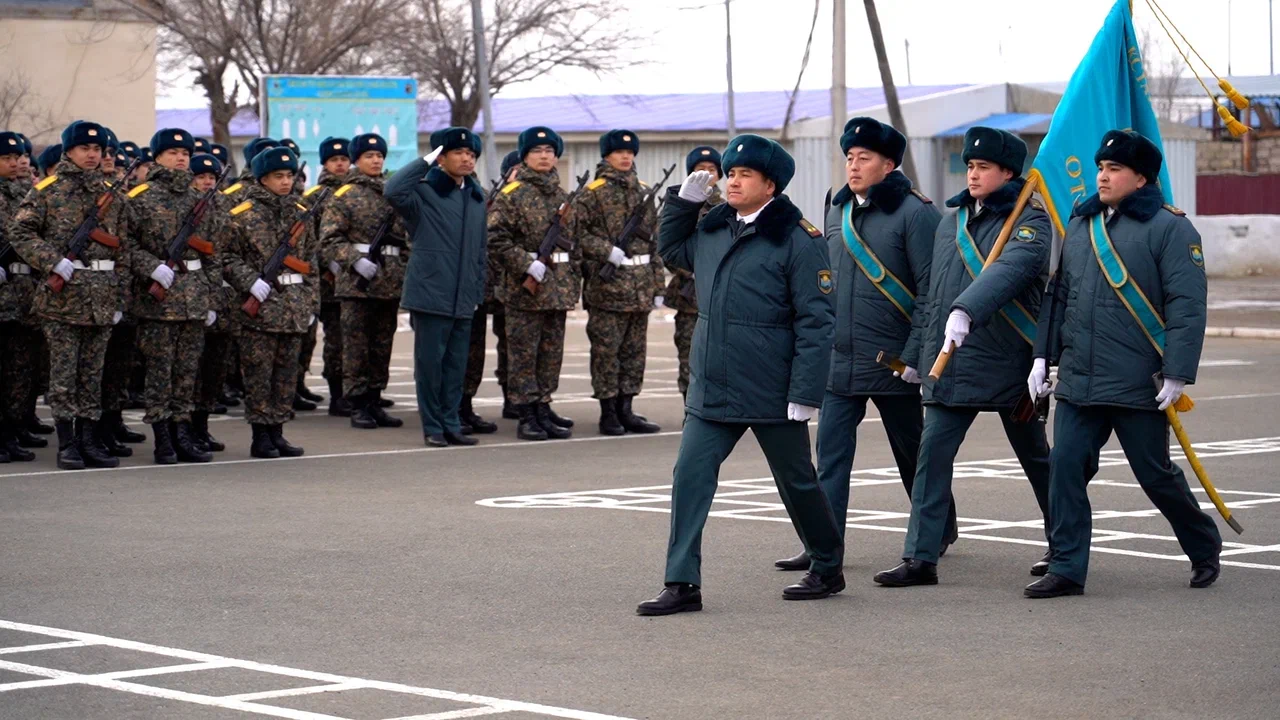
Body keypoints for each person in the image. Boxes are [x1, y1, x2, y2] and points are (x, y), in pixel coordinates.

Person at [637, 134, 843, 616]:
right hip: (713, 382)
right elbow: (672, 249)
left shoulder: (798, 240)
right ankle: (682, 582)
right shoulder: (712, 228)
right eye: (730, 173)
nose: (732, 181)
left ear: (770, 184)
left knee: (797, 482)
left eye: (744, 174)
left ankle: (828, 564)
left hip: (772, 385)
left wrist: (806, 392)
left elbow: (817, 321)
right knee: (689, 475)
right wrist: (682, 204)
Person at [1024, 130, 1223, 598]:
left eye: (1114, 169)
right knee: (1065, 467)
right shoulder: (1081, 223)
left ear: (1141, 178)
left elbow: (1186, 305)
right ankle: (1068, 567)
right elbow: (1060, 294)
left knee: (1154, 475)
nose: (1102, 176)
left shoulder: (1172, 229)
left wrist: (1177, 370)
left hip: (1136, 381)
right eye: (1100, 168)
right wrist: (1041, 355)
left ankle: (1202, 543)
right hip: (1078, 379)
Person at [873, 127, 1053, 587]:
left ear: (1008, 173)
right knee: (932, 456)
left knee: (1037, 459)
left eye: (983, 167)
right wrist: (918, 352)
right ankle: (921, 556)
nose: (972, 175)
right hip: (952, 361)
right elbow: (932, 292)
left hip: (1010, 360)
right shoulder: (951, 221)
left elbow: (1014, 271)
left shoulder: (1031, 220)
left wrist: (967, 308)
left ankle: (1064, 542)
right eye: (970, 166)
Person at [774, 117, 945, 571]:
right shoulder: (837, 209)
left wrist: (914, 355)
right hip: (839, 357)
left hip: (893, 360)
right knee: (829, 460)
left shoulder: (916, 213)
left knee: (912, 455)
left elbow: (931, 291)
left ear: (888, 164)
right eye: (849, 158)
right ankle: (823, 546)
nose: (853, 166)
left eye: (863, 158)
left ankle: (939, 526)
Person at [10, 121, 126, 470]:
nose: (92, 155)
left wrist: (121, 297)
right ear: (68, 152)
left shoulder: (112, 193)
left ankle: (90, 439)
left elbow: (124, 248)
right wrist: (51, 261)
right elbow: (20, 231)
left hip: (102, 297)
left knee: (93, 374)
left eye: (98, 150)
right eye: (84, 149)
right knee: (64, 374)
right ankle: (67, 443)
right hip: (63, 299)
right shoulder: (48, 191)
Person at [386, 129, 487, 447]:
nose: (467, 158)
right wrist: (423, 162)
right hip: (431, 292)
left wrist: (476, 292)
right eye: (458, 152)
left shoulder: (475, 196)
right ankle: (432, 426)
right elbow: (393, 191)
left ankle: (451, 422)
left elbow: (480, 250)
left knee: (456, 365)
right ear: (441, 158)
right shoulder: (424, 192)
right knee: (430, 365)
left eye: (471, 154)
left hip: (463, 295)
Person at [124, 128, 219, 464]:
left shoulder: (199, 199)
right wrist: (151, 267)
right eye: (173, 152)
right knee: (160, 372)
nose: (181, 158)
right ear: (157, 157)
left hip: (193, 297)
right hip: (159, 301)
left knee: (187, 372)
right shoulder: (139, 197)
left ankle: (183, 433)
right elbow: (126, 246)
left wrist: (211, 300)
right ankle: (163, 438)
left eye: (185, 153)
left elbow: (213, 253)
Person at [487, 126, 581, 441]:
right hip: (523, 289)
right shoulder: (512, 194)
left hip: (556, 289)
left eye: (549, 151)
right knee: (523, 353)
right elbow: (495, 238)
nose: (544, 156)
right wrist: (525, 264)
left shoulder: (562, 196)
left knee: (551, 353)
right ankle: (526, 412)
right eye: (537, 151)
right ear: (525, 156)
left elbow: (573, 242)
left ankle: (543, 406)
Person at [222, 146, 317, 458]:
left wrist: (310, 302)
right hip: (260, 307)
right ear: (262, 179)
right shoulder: (241, 215)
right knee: (259, 374)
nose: (286, 182)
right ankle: (260, 436)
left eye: (290, 175)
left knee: (286, 374)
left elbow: (310, 262)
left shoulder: (301, 215)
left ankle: (278, 431)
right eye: (279, 176)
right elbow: (225, 256)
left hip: (292, 305)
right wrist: (250, 281)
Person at [574, 129, 663, 436]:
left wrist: (657, 286)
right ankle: (608, 412)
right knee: (606, 352)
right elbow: (576, 234)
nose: (626, 157)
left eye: (630, 152)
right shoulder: (592, 193)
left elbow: (654, 242)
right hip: (607, 288)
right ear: (606, 156)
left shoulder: (644, 191)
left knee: (634, 352)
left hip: (639, 287)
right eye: (619, 152)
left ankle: (627, 408)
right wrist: (605, 250)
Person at [320, 133, 405, 430]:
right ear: (357, 160)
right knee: (356, 345)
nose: (376, 160)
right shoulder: (343, 196)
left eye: (380, 155)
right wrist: (354, 260)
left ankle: (375, 398)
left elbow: (406, 237)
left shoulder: (393, 193)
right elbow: (329, 239)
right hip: (357, 283)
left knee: (382, 344)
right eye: (369, 156)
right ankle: (357, 404)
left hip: (389, 279)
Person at [461, 149, 522, 432]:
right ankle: (462, 404)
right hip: (482, 283)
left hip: (512, 283)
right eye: (516, 170)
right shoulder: (489, 198)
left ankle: (514, 398)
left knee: (512, 344)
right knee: (471, 348)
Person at [663, 146, 724, 400]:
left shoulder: (728, 205)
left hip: (720, 295)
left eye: (712, 170)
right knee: (689, 355)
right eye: (700, 170)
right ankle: (690, 408)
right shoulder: (681, 205)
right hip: (689, 298)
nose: (707, 174)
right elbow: (668, 245)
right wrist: (692, 270)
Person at [0, 130, 40, 462]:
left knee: (20, 368)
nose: (15, 163)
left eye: (18, 157)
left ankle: (13, 431)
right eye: (7, 158)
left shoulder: (31, 194)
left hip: (24, 294)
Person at [189, 152, 232, 453]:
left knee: (214, 368)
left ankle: (202, 425)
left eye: (212, 177)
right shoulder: (184, 208)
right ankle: (185, 429)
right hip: (190, 297)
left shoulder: (227, 208)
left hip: (223, 298)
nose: (207, 182)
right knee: (190, 369)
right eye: (201, 176)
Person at [308, 136, 353, 417]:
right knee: (335, 339)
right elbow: (309, 240)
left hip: (353, 276)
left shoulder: (355, 193)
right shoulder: (314, 197)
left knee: (354, 340)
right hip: (327, 281)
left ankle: (357, 391)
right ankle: (337, 395)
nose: (340, 164)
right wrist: (328, 266)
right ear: (325, 163)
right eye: (334, 160)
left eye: (344, 159)